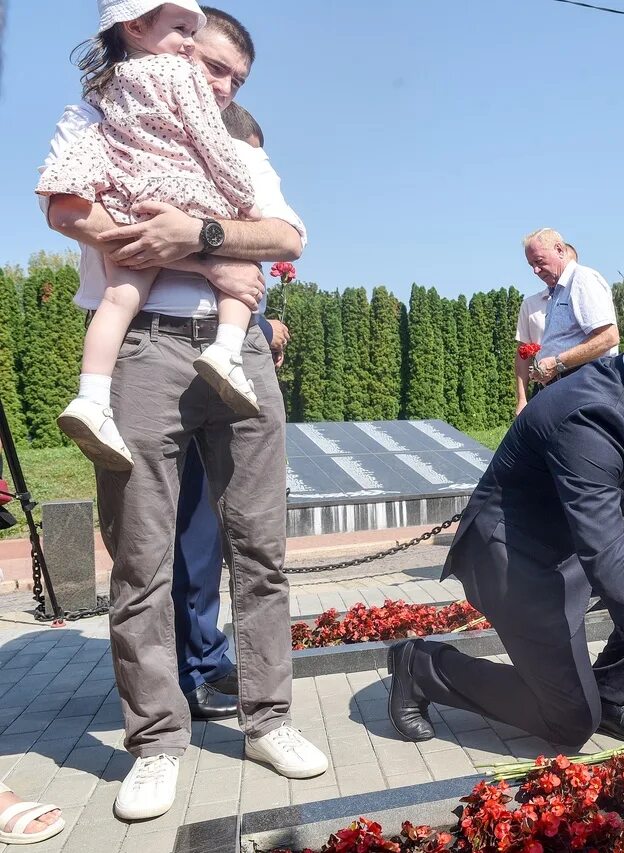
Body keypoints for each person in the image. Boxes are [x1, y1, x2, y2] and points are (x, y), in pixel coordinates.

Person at [39, 6, 328, 821]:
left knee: (259, 547)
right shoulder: (103, 112)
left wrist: (198, 232)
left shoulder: (238, 145)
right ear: (165, 46)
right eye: (210, 64)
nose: (220, 84)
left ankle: (268, 719)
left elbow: (286, 233)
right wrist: (206, 254)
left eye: (236, 76)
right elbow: (67, 209)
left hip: (238, 358)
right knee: (140, 558)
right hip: (142, 350)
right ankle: (157, 741)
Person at [386, 301, 624, 748]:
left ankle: (613, 697)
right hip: (515, 561)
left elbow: (609, 476)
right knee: (571, 721)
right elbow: (606, 556)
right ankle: (423, 667)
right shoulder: (590, 411)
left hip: (562, 545)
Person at [39, 0, 263, 472]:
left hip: (127, 193)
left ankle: (90, 397)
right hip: (181, 188)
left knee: (118, 299)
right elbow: (208, 140)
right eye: (182, 30)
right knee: (243, 272)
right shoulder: (181, 76)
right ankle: (228, 351)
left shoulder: (105, 87)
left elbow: (77, 185)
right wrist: (242, 200)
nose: (186, 43)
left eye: (237, 81)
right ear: (137, 26)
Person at [174, 102, 291, 723]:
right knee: (191, 532)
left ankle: (204, 657)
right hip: (181, 380)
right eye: (256, 152)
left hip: (222, 378)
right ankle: (192, 669)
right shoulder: (185, 191)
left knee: (222, 534)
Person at [523, 228, 618, 386]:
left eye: (539, 261)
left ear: (559, 249)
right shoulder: (558, 290)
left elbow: (609, 337)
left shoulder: (582, 279)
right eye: (531, 264)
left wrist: (556, 363)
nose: (535, 270)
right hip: (570, 385)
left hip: (585, 386)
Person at [514, 242, 578, 416]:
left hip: (577, 387)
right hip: (543, 387)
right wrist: (522, 399)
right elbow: (522, 355)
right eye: (532, 265)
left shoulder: (582, 297)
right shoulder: (531, 304)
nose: (536, 270)